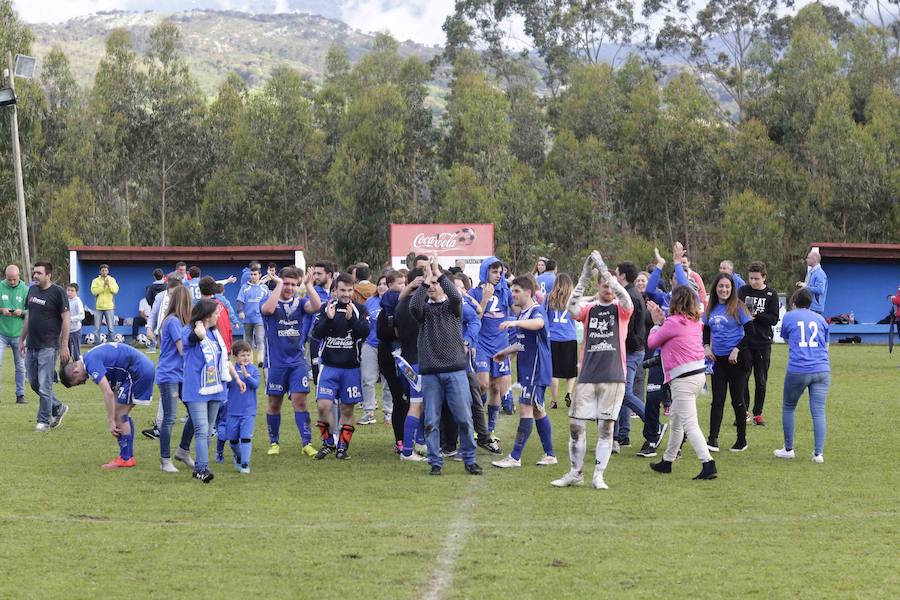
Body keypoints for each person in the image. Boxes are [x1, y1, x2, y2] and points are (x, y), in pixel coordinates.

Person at [551, 251, 633, 490]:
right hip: (587, 375)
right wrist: (585, 276)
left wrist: (607, 272)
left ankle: (599, 474)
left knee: (606, 427)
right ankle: (575, 473)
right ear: (597, 287)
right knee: (576, 425)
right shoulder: (589, 309)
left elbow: (625, 298)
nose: (608, 288)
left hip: (614, 376)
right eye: (603, 285)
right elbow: (571, 308)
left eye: (611, 285)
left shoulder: (621, 309)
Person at [410, 256, 483, 476]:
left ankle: (470, 460)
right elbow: (414, 305)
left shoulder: (453, 307)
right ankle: (435, 462)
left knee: (463, 418)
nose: (431, 287)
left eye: (435, 284)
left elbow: (454, 294)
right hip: (431, 372)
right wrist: (425, 279)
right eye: (428, 285)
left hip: (455, 370)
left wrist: (437, 272)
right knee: (431, 420)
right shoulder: (422, 311)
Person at [645, 287, 718, 479]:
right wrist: (662, 321)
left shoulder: (673, 322)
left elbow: (652, 342)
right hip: (697, 375)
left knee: (690, 424)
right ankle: (667, 461)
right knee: (676, 421)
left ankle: (708, 463)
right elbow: (671, 329)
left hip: (683, 378)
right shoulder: (695, 321)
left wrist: (655, 324)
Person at [491, 276, 557, 469]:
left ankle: (515, 457)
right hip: (528, 368)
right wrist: (506, 352)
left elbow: (539, 324)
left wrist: (514, 324)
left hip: (537, 368)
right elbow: (523, 343)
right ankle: (550, 455)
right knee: (537, 410)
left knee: (526, 408)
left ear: (528, 292)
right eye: (512, 291)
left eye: (517, 291)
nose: (513, 295)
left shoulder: (536, 311)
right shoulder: (522, 314)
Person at [59, 342, 155, 469]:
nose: (83, 383)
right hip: (139, 368)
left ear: (75, 372)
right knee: (120, 413)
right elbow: (113, 384)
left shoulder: (91, 362)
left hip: (138, 370)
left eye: (77, 383)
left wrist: (111, 422)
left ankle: (126, 458)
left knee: (119, 414)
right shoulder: (89, 358)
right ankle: (127, 456)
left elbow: (108, 393)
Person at [182, 299, 245, 483]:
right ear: (207, 315)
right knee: (201, 429)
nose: (220, 315)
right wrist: (198, 335)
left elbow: (223, 360)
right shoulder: (191, 330)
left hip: (216, 387)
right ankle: (202, 468)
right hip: (196, 388)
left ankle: (200, 467)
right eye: (217, 312)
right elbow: (187, 342)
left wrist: (236, 378)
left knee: (208, 429)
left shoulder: (215, 333)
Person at [261, 267, 321, 456]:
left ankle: (306, 443)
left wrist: (309, 285)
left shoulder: (301, 303)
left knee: (300, 400)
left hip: (297, 362)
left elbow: (317, 306)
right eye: (286, 283)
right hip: (276, 363)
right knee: (274, 403)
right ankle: (274, 442)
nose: (289, 288)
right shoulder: (269, 301)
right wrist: (277, 285)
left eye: (293, 285)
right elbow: (268, 310)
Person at [311, 273, 370, 460]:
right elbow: (317, 334)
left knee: (347, 409)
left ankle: (342, 446)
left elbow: (364, 333)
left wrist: (353, 320)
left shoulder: (360, 309)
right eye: (342, 290)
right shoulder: (326, 308)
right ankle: (328, 442)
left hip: (351, 368)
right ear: (335, 290)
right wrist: (328, 319)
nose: (346, 294)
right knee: (323, 406)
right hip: (329, 367)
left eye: (349, 290)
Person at [775, 288, 830, 463]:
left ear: (794, 301)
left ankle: (789, 448)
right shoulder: (820, 318)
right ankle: (818, 453)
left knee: (789, 406)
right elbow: (826, 343)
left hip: (799, 368)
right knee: (819, 411)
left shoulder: (790, 316)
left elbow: (785, 337)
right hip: (822, 368)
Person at [703, 272, 754, 453]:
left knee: (737, 400)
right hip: (718, 360)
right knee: (717, 400)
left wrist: (737, 349)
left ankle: (741, 440)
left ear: (732, 289)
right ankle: (712, 439)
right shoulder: (710, 308)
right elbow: (706, 329)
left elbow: (750, 333)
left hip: (737, 361)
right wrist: (706, 346)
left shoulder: (738, 307)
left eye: (727, 286)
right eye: (720, 286)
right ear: (715, 288)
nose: (724, 289)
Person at [20, 261, 70, 431]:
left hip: (49, 346)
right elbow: (29, 316)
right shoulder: (32, 290)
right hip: (31, 345)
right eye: (34, 273)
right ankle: (58, 407)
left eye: (39, 273)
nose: (35, 276)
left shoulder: (58, 292)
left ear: (48, 275)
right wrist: (21, 340)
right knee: (34, 383)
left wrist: (64, 345)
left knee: (44, 384)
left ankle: (43, 421)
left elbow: (67, 319)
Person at [469, 256, 513, 436]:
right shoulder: (474, 293)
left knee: (496, 387)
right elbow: (474, 319)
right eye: (494, 272)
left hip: (501, 345)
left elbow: (517, 309)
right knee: (483, 384)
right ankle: (477, 417)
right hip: (481, 344)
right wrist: (485, 299)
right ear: (485, 271)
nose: (498, 275)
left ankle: (490, 428)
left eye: (500, 272)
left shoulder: (506, 291)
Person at [154, 285, 193, 472]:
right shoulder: (173, 321)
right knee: (169, 418)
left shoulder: (181, 322)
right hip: (169, 375)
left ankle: (183, 450)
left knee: (195, 414)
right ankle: (165, 460)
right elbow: (182, 350)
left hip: (181, 375)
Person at [737, 262, 780, 427]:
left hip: (763, 342)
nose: (753, 282)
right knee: (743, 378)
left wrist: (757, 316)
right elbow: (735, 311)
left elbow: (774, 318)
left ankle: (758, 414)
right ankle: (744, 412)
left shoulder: (771, 294)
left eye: (756, 278)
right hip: (745, 342)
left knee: (761, 380)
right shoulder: (743, 291)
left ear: (764, 277)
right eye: (751, 278)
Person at [613, 261, 647, 452]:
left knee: (625, 393)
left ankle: (653, 424)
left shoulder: (630, 296)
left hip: (632, 351)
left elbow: (629, 329)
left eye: (617, 274)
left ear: (623, 276)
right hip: (634, 350)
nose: (616, 277)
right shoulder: (633, 293)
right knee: (621, 394)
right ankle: (622, 434)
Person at [360, 274, 393, 426]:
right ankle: (369, 412)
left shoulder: (394, 301)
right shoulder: (370, 302)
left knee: (388, 381)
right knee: (367, 379)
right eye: (379, 283)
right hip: (370, 344)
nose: (381, 286)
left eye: (385, 284)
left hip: (388, 345)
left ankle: (389, 413)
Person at [225, 340, 260, 473]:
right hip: (232, 411)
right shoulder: (231, 370)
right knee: (232, 438)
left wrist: (247, 376)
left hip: (248, 411)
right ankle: (239, 457)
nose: (246, 358)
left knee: (246, 437)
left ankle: (245, 464)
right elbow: (226, 385)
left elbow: (256, 385)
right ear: (235, 357)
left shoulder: (253, 369)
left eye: (248, 355)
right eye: (242, 355)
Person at [545, 273, 577, 410]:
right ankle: (569, 393)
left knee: (554, 371)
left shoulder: (549, 298)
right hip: (570, 337)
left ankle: (554, 400)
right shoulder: (573, 299)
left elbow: (545, 317)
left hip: (553, 337)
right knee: (571, 370)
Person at [0, 264, 28, 403]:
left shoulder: (26, 289)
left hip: (19, 334)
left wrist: (21, 312)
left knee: (20, 365)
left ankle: (20, 395)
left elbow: (32, 312)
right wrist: (1, 310)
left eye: (14, 279)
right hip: (1, 333)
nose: (11, 282)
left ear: (19, 276)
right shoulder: (0, 286)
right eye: (9, 279)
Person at [306, 261, 334, 384]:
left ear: (329, 274)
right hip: (316, 339)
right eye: (314, 273)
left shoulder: (340, 290)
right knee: (318, 377)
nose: (316, 277)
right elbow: (307, 317)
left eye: (319, 274)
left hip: (336, 339)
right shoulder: (313, 291)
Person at [236, 264, 268, 366]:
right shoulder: (245, 287)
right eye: (251, 274)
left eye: (255, 274)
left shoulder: (264, 288)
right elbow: (240, 301)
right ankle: (249, 361)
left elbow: (268, 301)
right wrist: (240, 311)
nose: (253, 276)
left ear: (259, 275)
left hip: (259, 319)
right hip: (247, 319)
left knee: (260, 340)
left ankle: (260, 360)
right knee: (247, 342)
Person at [90, 264, 119, 338]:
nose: (104, 272)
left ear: (108, 271)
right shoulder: (95, 280)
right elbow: (94, 292)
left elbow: (115, 291)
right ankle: (97, 343)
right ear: (100, 271)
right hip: (98, 307)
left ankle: (111, 343)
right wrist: (103, 286)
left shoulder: (112, 280)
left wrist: (108, 285)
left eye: (106, 270)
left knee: (111, 327)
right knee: (97, 328)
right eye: (102, 270)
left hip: (109, 307)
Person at [797, 250, 828, 315]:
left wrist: (806, 287)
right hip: (810, 306)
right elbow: (812, 286)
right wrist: (804, 284)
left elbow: (820, 289)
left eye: (808, 258)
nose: (806, 260)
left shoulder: (819, 273)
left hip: (815, 308)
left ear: (814, 259)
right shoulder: (812, 272)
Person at [66, 283, 85, 360]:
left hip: (75, 331)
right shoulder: (65, 300)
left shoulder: (77, 301)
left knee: (76, 355)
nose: (69, 292)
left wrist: (70, 319)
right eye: (68, 290)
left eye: (72, 290)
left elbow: (82, 316)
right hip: (66, 331)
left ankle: (77, 370)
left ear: (76, 292)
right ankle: (64, 371)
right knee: (65, 354)